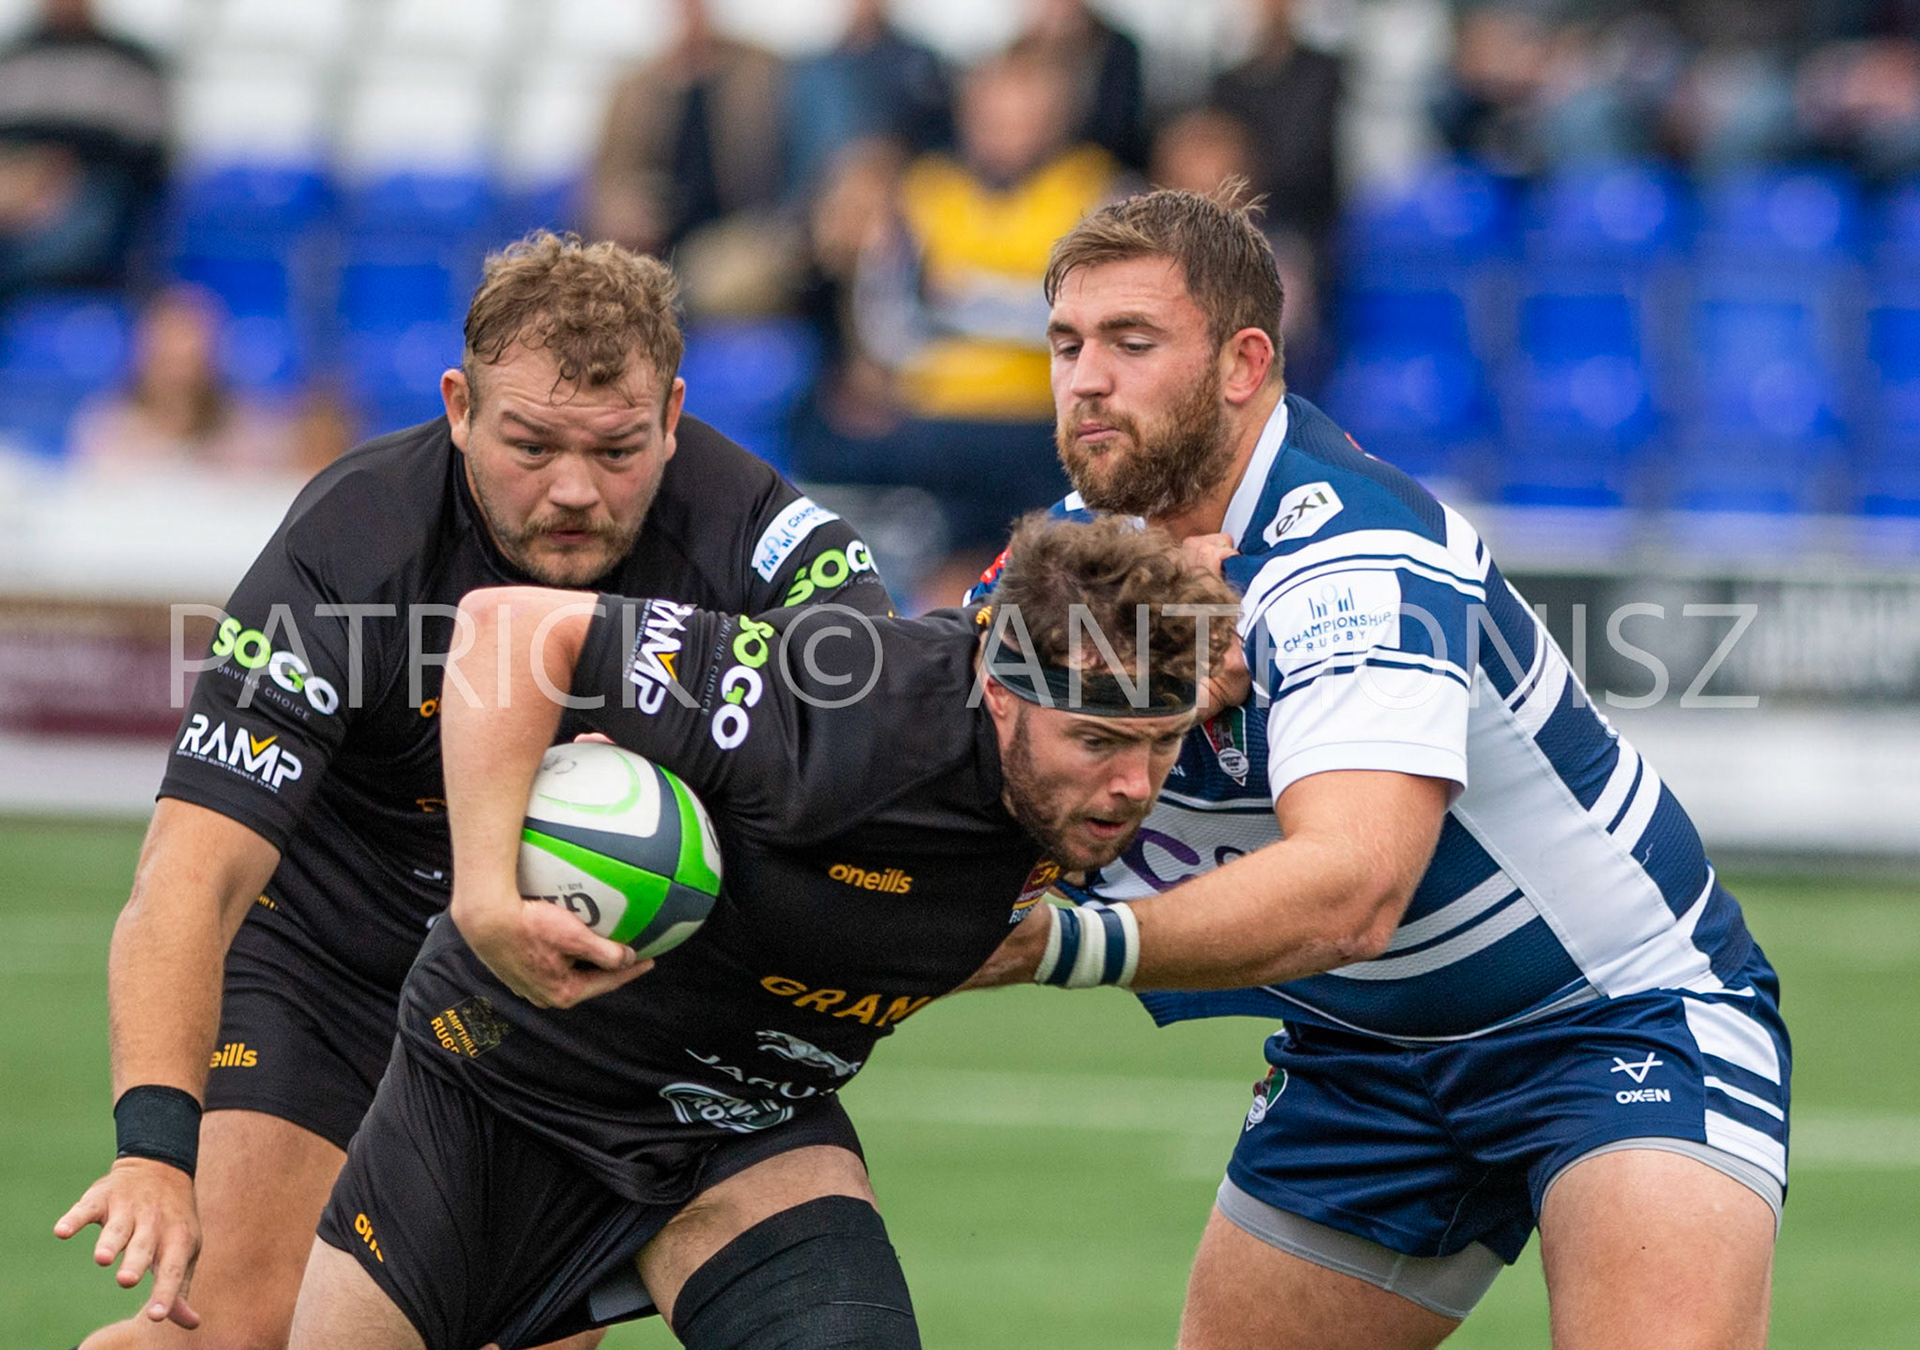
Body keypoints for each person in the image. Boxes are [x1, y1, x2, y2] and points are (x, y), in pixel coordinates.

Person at [969, 189, 1789, 1349]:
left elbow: (1355, 890)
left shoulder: (1362, 556)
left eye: (1132, 343)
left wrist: (1052, 943)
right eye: (1066, 344)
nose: (1086, 378)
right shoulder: (1077, 561)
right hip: (1367, 1060)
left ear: (1245, 363)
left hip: (1613, 1021)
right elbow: (936, 763)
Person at [53, 231, 893, 1350]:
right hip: (331, 972)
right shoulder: (355, 543)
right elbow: (189, 877)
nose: (575, 491)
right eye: (531, 445)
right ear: (458, 406)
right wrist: (154, 1147)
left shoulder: (765, 542)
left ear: (675, 413)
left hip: (577, 1006)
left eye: (618, 450)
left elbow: (882, 737)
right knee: (230, 1329)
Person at [282, 515, 1235, 1349]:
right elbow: (509, 627)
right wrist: (485, 900)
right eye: (1099, 744)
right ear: (1001, 695)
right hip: (501, 1087)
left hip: (741, 1127)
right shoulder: (843, 706)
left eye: (1161, 743)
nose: (1133, 788)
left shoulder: (1114, 716)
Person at [0, 0, 168, 300]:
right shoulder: (11, 58)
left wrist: (60, 174)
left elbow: (150, 157)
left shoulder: (132, 62)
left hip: (94, 195)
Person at [69, 284, 301, 472]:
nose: (178, 378)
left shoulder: (245, 436)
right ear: (144, 354)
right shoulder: (108, 429)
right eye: (167, 360)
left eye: (189, 361)